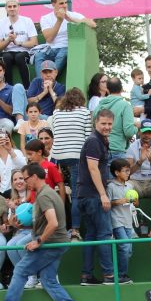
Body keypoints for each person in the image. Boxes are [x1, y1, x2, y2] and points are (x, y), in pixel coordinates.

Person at [0, 163, 90, 301]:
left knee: (20, 270)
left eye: (26, 178)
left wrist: (38, 241)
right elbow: (42, 223)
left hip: (51, 244)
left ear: (34, 177)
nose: (25, 182)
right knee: (48, 280)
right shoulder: (46, 193)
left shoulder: (43, 195)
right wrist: (19, 227)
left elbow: (53, 223)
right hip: (56, 243)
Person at [78, 108, 116, 284]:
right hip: (93, 195)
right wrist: (103, 194)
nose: (107, 127)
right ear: (96, 123)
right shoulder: (94, 141)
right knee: (104, 234)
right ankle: (109, 275)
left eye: (109, 124)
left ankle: (86, 275)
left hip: (86, 195)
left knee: (91, 235)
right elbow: (93, 169)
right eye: (103, 123)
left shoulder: (100, 140)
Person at [51, 87, 92, 237]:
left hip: (58, 156)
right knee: (75, 194)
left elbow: (55, 133)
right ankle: (75, 229)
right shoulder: (85, 112)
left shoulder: (56, 112)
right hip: (77, 156)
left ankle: (57, 228)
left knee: (54, 190)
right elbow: (88, 137)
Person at [35, 0, 97, 76]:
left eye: (65, 2)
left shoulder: (73, 15)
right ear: (53, 4)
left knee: (62, 55)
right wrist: (59, 20)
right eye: (61, 3)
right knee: (39, 55)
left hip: (65, 47)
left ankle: (48, 79)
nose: (64, 5)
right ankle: (41, 81)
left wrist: (71, 19)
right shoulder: (45, 18)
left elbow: (93, 24)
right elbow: (49, 39)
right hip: (50, 48)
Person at [106, 158, 137, 284]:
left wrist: (135, 201)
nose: (128, 173)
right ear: (117, 172)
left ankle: (121, 274)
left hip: (128, 220)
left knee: (128, 250)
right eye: (125, 171)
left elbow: (136, 202)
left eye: (128, 171)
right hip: (116, 221)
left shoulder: (130, 185)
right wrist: (118, 201)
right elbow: (107, 204)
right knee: (124, 247)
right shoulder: (111, 186)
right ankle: (120, 275)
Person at [0, 0, 39, 87]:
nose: (12, 9)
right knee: (6, 57)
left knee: (20, 57)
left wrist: (18, 42)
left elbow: (34, 43)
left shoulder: (27, 21)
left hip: (24, 51)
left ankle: (27, 88)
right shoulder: (1, 23)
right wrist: (9, 40)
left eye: (14, 6)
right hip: (8, 52)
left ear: (19, 7)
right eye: (9, 6)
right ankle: (8, 87)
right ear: (6, 8)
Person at [0, 59, 28, 131]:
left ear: (4, 71)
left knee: (8, 124)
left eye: (0, 71)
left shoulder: (12, 90)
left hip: (6, 121)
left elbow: (13, 112)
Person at [127, 119, 151, 199]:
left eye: (150, 132)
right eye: (144, 132)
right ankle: (130, 211)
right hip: (136, 182)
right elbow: (127, 174)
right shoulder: (132, 146)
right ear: (139, 132)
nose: (147, 135)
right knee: (126, 185)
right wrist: (140, 161)